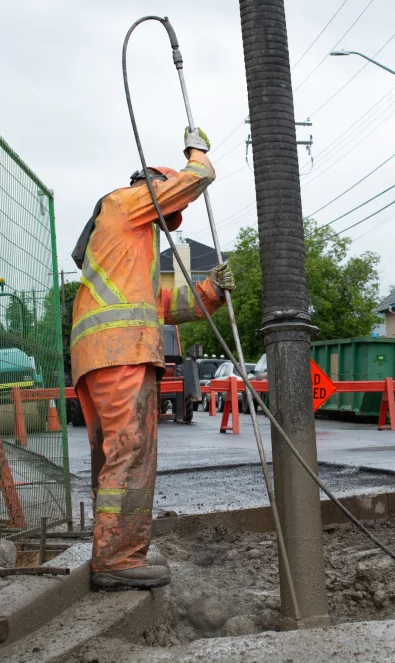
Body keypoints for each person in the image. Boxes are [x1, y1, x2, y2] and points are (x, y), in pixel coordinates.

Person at [71, 127, 233, 590]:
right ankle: (117, 560)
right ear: (152, 187)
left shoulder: (127, 245)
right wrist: (197, 149)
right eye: (169, 209)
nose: (169, 222)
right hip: (121, 353)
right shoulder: (125, 203)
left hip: (103, 355)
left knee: (115, 455)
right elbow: (198, 177)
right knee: (131, 451)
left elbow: (163, 304)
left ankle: (113, 550)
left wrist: (211, 291)